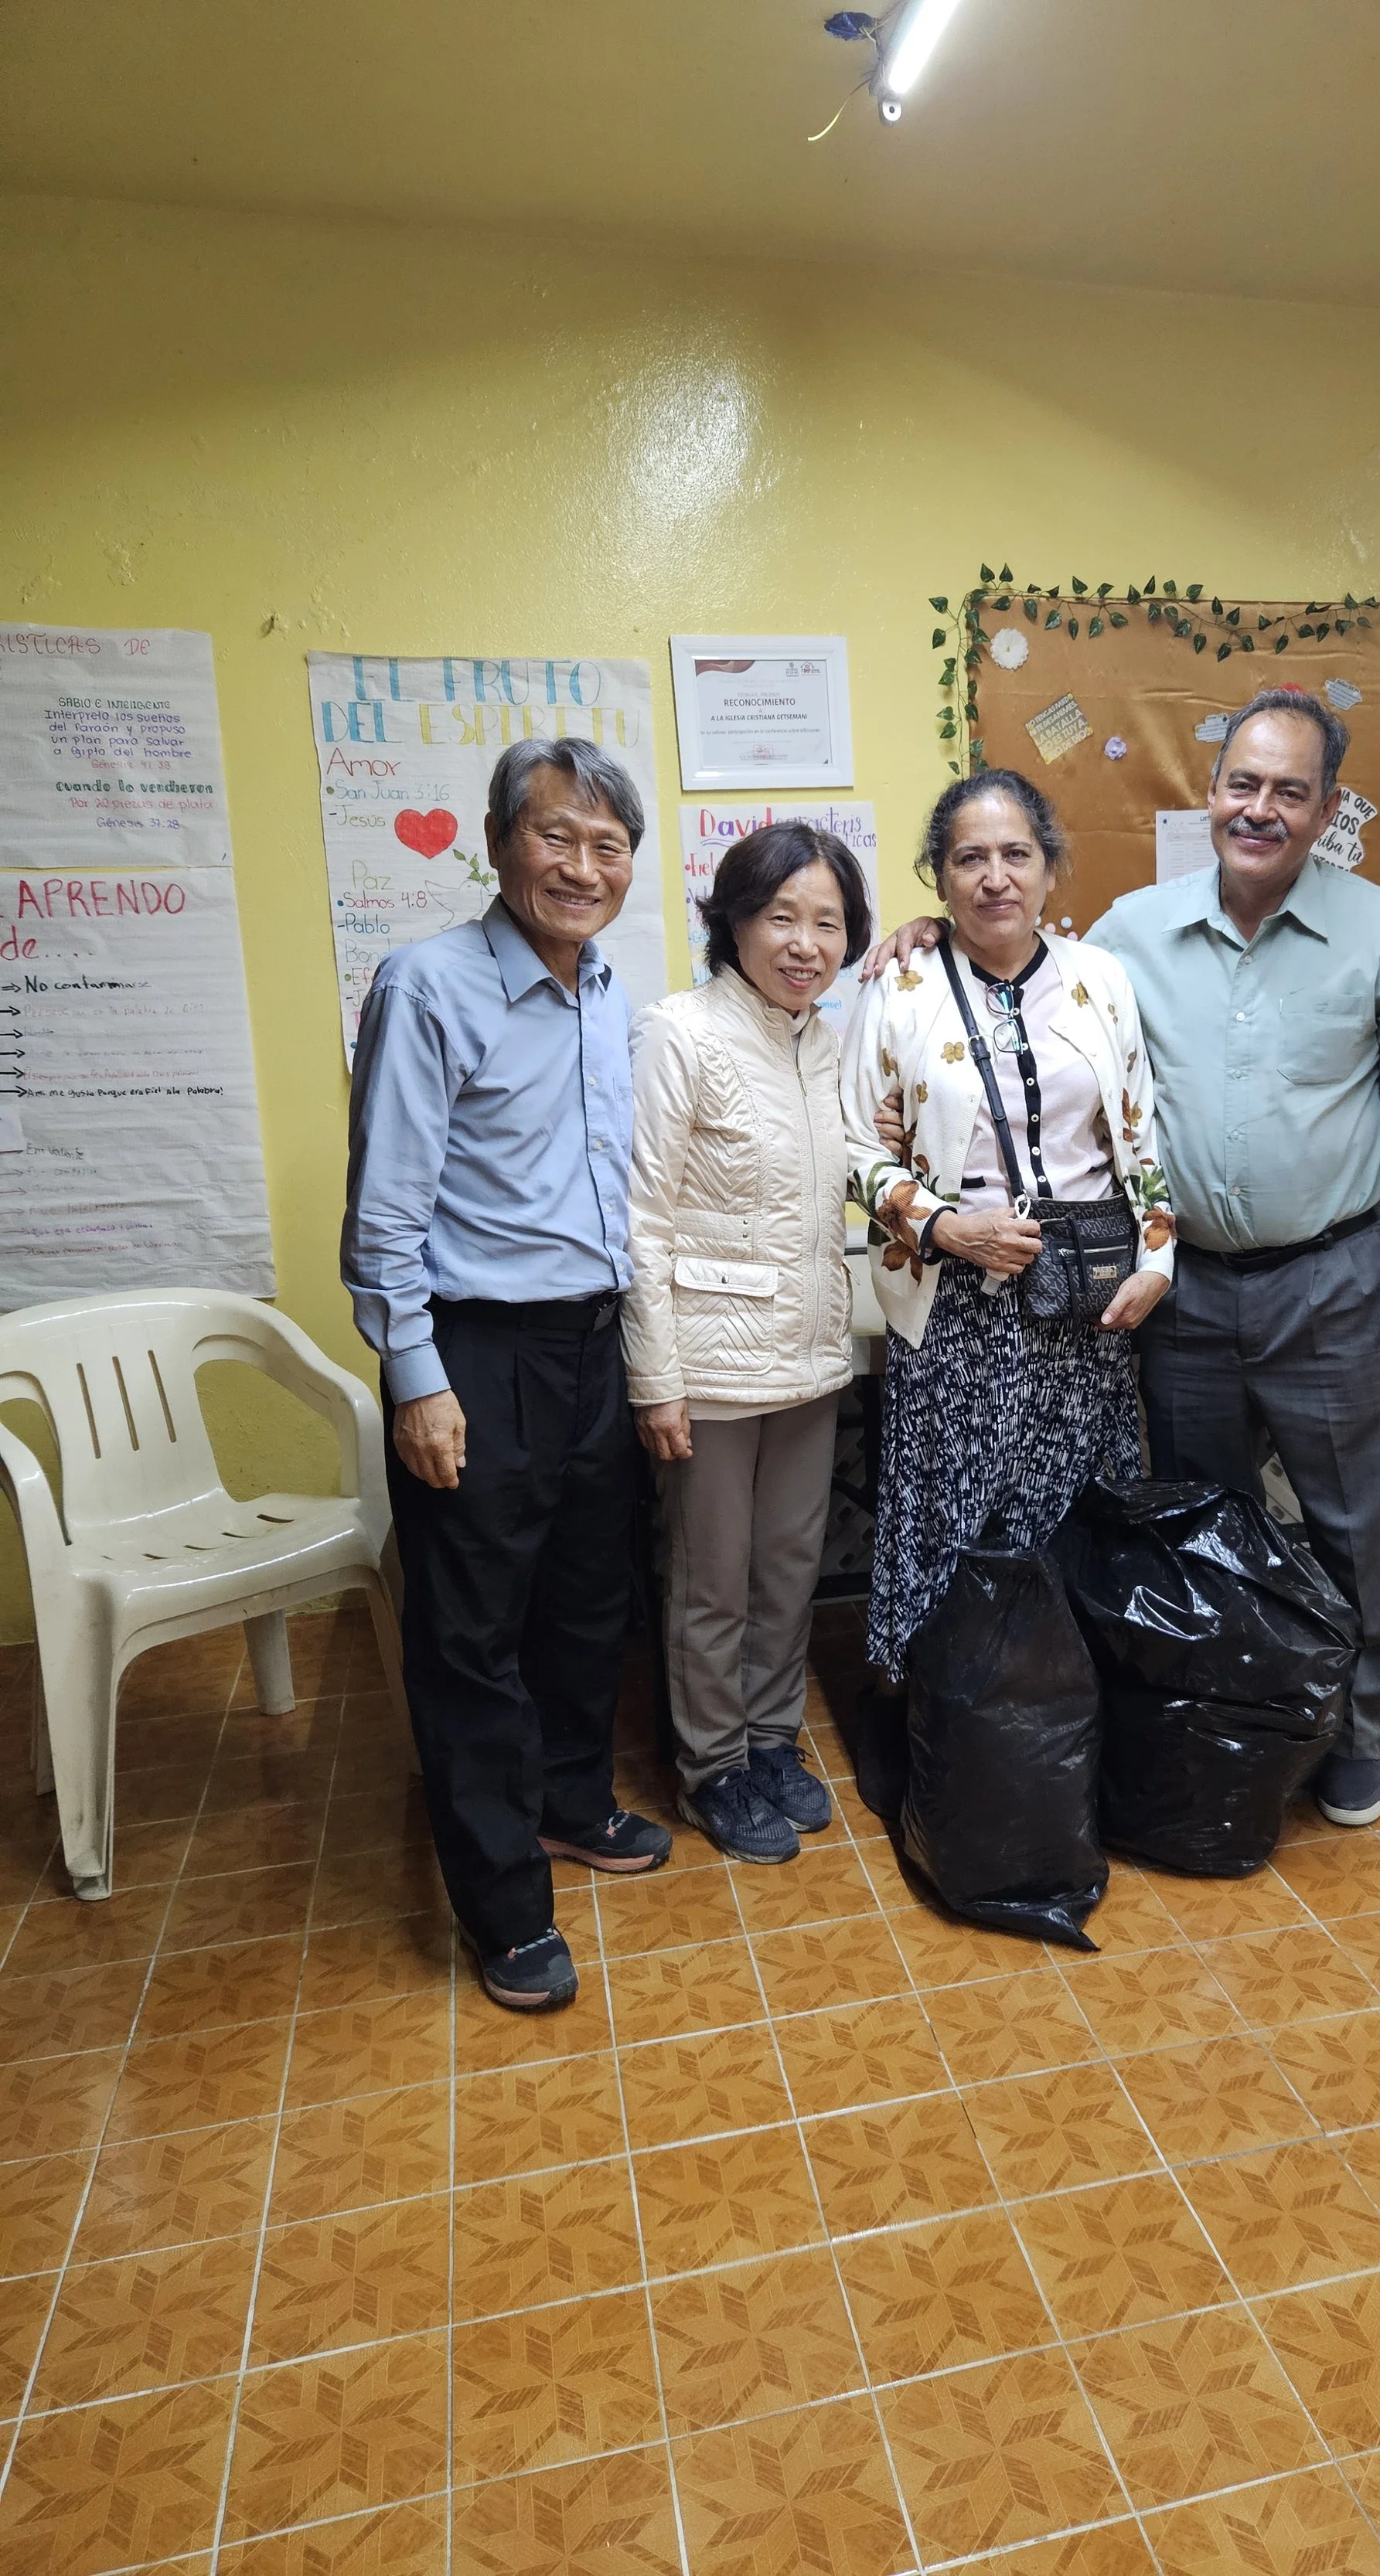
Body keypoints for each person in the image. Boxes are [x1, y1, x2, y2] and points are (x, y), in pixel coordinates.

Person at [867, 691, 1380, 1829]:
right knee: (1201, 1519)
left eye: (1288, 791)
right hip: (1181, 1292)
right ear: (1211, 793)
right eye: (1241, 785)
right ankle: (1221, 1720)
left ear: (1328, 808)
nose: (1259, 809)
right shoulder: (1129, 936)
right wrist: (919, 938)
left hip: (1330, 1279)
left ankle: (1352, 1736)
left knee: (1355, 1523)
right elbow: (1017, 983)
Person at [342, 737, 670, 2015]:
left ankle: (571, 1803)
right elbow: (384, 1212)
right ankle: (499, 1902)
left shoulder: (604, 991)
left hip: (591, 1339)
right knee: (469, 1636)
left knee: (591, 1599)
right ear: (498, 843)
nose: (583, 866)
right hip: (476, 1350)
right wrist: (416, 1377)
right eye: (557, 836)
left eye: (608, 845)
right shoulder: (426, 985)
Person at [843, 770, 1174, 1684]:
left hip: (1086, 1303)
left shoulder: (1100, 980)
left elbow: (1141, 1134)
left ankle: (1065, 1724)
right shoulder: (900, 983)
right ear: (940, 879)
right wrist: (945, 1227)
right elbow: (852, 1146)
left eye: (1016, 854)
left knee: (1075, 1509)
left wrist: (1159, 1259)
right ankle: (948, 1733)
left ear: (1050, 870)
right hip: (952, 1304)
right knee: (951, 1515)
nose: (995, 877)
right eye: (969, 858)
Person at [626, 822, 872, 1863]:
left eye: (828, 921)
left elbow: (855, 1162)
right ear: (734, 920)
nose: (805, 941)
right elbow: (640, 1218)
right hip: (712, 1368)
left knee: (787, 1569)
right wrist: (657, 1382)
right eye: (782, 916)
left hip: (811, 1357)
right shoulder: (678, 1032)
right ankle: (713, 1763)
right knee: (711, 1579)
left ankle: (772, 1740)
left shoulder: (823, 1038)